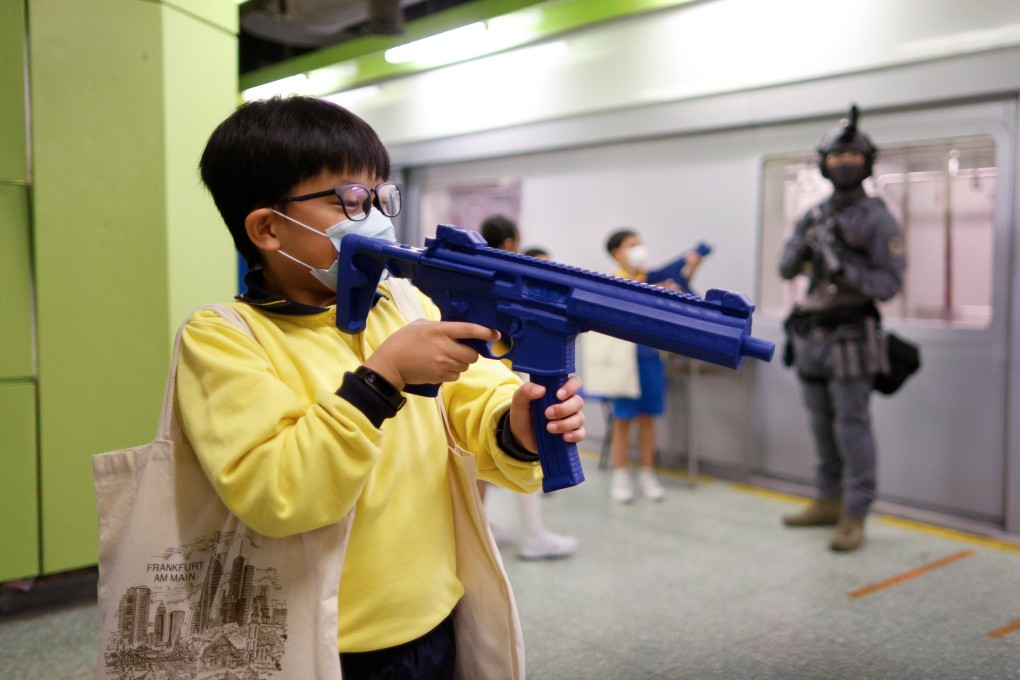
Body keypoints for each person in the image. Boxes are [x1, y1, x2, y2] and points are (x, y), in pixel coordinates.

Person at [181, 96, 586, 678]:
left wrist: (516, 425)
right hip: (321, 643)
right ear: (268, 228)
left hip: (437, 614)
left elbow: (478, 398)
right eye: (348, 198)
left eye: (377, 195)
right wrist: (382, 378)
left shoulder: (404, 303)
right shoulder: (225, 337)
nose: (373, 215)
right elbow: (275, 490)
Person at [778, 104, 906, 552]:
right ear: (824, 163)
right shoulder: (814, 214)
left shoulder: (877, 218)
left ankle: (855, 513)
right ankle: (827, 500)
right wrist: (808, 247)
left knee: (852, 425)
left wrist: (842, 264)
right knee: (820, 424)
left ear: (866, 162)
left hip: (852, 334)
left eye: (853, 156)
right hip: (810, 333)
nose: (844, 163)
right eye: (836, 157)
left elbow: (888, 285)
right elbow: (784, 267)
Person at [475, 215, 579, 560]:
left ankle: (479, 527)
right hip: (508, 376)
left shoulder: (480, 274)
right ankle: (533, 534)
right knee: (530, 450)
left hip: (483, 376)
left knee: (479, 457)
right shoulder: (511, 278)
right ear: (509, 244)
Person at [603, 229, 703, 503]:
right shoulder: (614, 281)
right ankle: (621, 476)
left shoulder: (650, 278)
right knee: (623, 419)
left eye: (641, 243)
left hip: (650, 357)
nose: (639, 248)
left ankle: (647, 474)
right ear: (617, 254)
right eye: (632, 245)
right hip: (623, 360)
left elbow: (678, 290)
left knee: (648, 418)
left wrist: (689, 271)